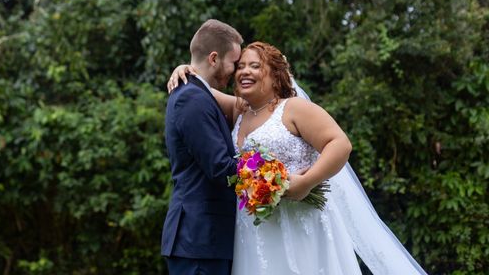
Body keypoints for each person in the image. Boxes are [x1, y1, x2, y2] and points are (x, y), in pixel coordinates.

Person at [168, 41, 429, 275]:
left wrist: (307, 183)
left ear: (275, 75)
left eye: (255, 66)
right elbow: (199, 89)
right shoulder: (240, 110)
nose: (244, 71)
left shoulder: (294, 108)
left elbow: (340, 144)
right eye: (241, 66)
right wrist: (184, 68)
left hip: (300, 222)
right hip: (254, 230)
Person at [161, 19, 243, 275]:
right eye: (234, 62)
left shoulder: (198, 93)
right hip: (198, 240)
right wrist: (271, 173)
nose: (236, 70)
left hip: (206, 240)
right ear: (214, 58)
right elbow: (220, 167)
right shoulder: (191, 99)